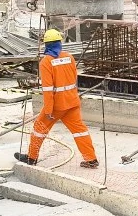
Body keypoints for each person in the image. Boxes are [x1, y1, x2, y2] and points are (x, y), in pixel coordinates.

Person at [15, 29, 98, 168]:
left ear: (46, 45)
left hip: (56, 106)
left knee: (39, 129)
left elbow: (48, 89)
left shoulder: (46, 62)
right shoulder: (69, 57)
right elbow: (74, 79)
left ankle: (31, 158)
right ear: (60, 43)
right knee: (80, 131)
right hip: (72, 102)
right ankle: (91, 159)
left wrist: (48, 110)